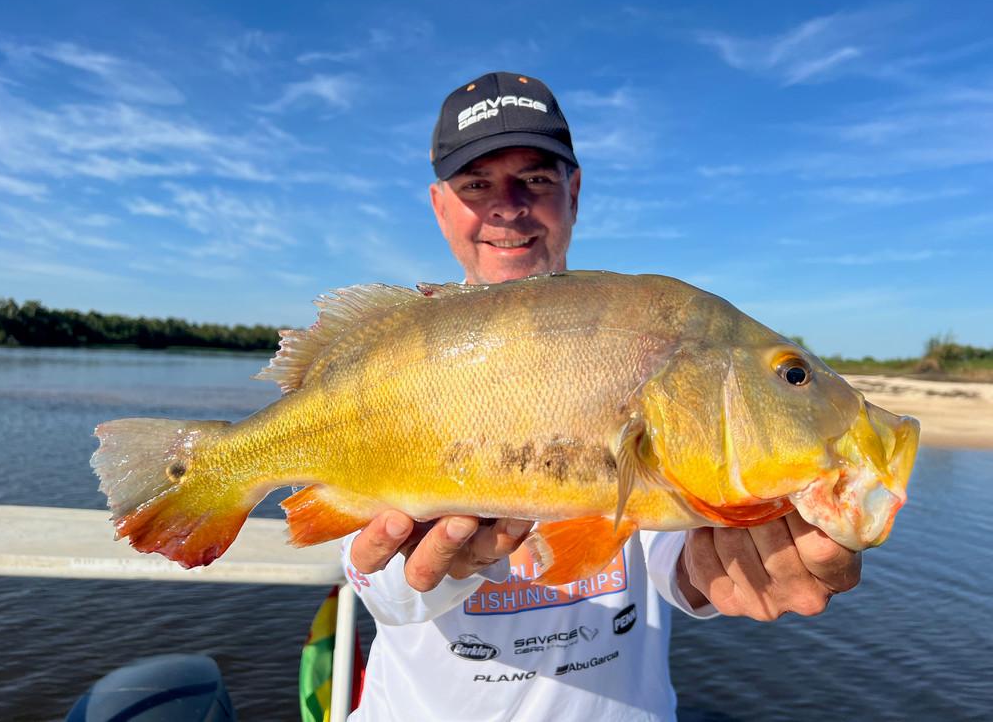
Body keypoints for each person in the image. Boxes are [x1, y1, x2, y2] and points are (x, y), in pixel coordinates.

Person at [340, 72, 861, 720]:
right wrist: (413, 567)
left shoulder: (642, 342)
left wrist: (729, 562)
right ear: (439, 203)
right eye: (476, 184)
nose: (507, 206)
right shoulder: (391, 362)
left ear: (574, 191)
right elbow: (383, 593)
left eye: (535, 178)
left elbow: (672, 545)